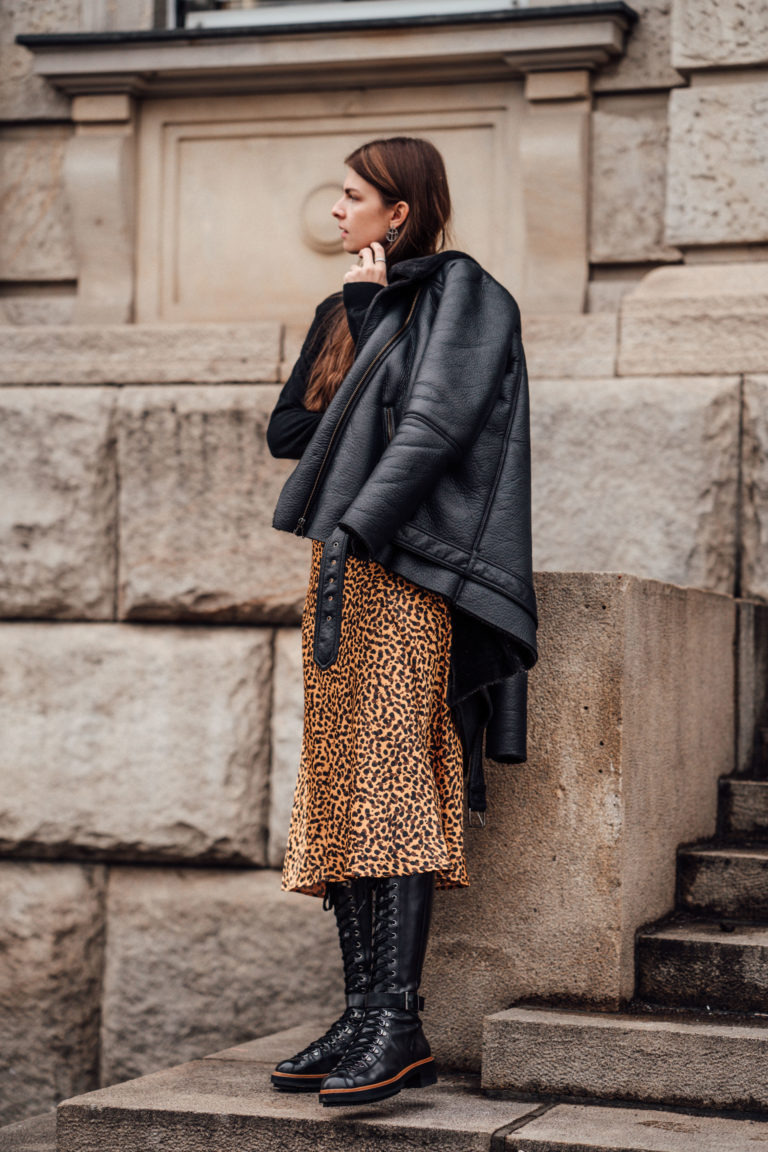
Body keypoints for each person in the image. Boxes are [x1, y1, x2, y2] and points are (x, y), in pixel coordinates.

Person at [266, 136, 537, 1108]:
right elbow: (290, 434)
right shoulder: (352, 308)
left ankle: (400, 1021)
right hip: (344, 575)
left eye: (352, 197)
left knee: (391, 782)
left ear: (402, 210)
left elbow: (433, 429)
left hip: (405, 571)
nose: (336, 212)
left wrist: (355, 527)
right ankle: (358, 1011)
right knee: (341, 788)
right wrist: (356, 315)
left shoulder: (465, 296)